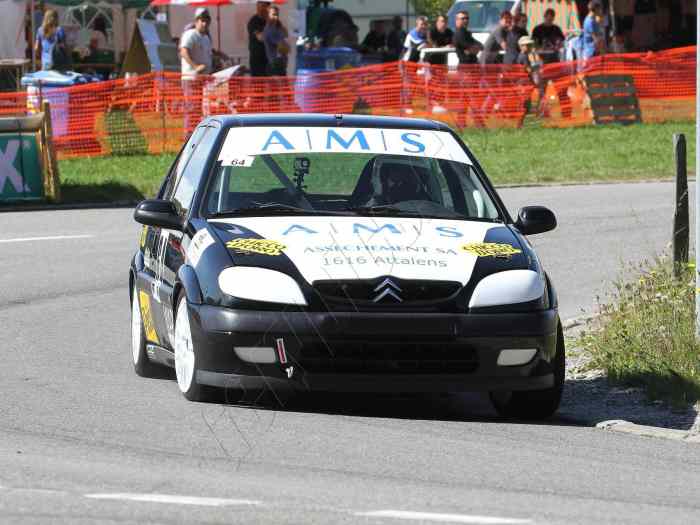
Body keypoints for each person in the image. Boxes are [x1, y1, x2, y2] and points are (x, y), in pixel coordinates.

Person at [180, 8, 213, 135]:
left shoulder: (205, 38)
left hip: (202, 79)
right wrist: (195, 66)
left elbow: (208, 55)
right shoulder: (190, 34)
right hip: (191, 79)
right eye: (202, 20)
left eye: (207, 21)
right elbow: (183, 51)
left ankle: (194, 134)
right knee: (191, 108)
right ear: (197, 21)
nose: (204, 24)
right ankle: (188, 136)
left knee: (198, 109)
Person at [264, 5, 289, 76]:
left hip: (280, 64)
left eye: (277, 14)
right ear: (268, 16)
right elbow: (284, 48)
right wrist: (285, 43)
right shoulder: (269, 30)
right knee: (279, 86)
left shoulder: (278, 27)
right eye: (274, 15)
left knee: (283, 86)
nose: (276, 17)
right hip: (275, 65)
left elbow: (285, 42)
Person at [248, 1, 270, 77]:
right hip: (257, 59)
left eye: (265, 6)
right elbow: (260, 37)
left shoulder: (270, 21)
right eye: (261, 6)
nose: (262, 9)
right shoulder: (253, 21)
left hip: (269, 58)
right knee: (258, 85)